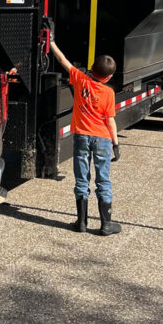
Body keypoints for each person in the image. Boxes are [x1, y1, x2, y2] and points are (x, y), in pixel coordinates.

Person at [49, 37, 121, 236]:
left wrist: (52, 41)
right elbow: (111, 121)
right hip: (103, 139)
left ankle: (81, 222)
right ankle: (106, 224)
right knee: (103, 180)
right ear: (109, 77)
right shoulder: (108, 92)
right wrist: (115, 144)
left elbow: (63, 61)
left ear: (91, 68)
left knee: (82, 179)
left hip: (81, 136)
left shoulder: (80, 80)